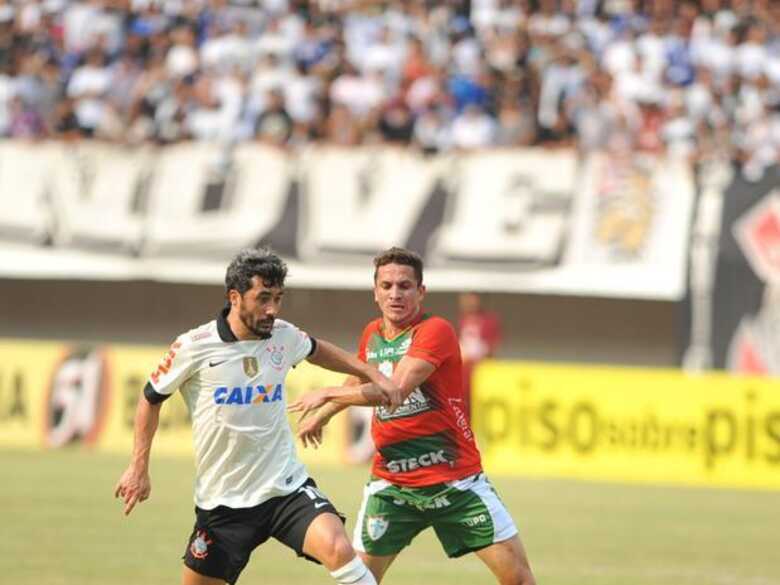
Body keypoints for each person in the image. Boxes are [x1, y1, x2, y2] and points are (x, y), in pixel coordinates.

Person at [114, 247, 402, 585]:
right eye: (263, 298)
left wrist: (372, 373)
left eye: (278, 298)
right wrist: (138, 467)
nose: (272, 309)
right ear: (234, 297)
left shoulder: (283, 335)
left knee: (338, 547)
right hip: (223, 505)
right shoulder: (194, 345)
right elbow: (150, 399)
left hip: (285, 489)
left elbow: (317, 349)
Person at [288, 247, 536, 585]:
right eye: (387, 286)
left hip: (454, 481)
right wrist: (326, 414)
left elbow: (393, 391)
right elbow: (361, 377)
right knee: (359, 581)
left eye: (405, 286)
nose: (395, 294)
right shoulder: (372, 333)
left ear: (421, 291)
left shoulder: (436, 330)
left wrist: (327, 393)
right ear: (375, 292)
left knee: (518, 579)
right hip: (392, 486)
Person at [458, 291, 502, 418]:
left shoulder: (488, 320)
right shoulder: (463, 320)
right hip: (463, 369)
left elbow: (492, 345)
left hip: (479, 368)